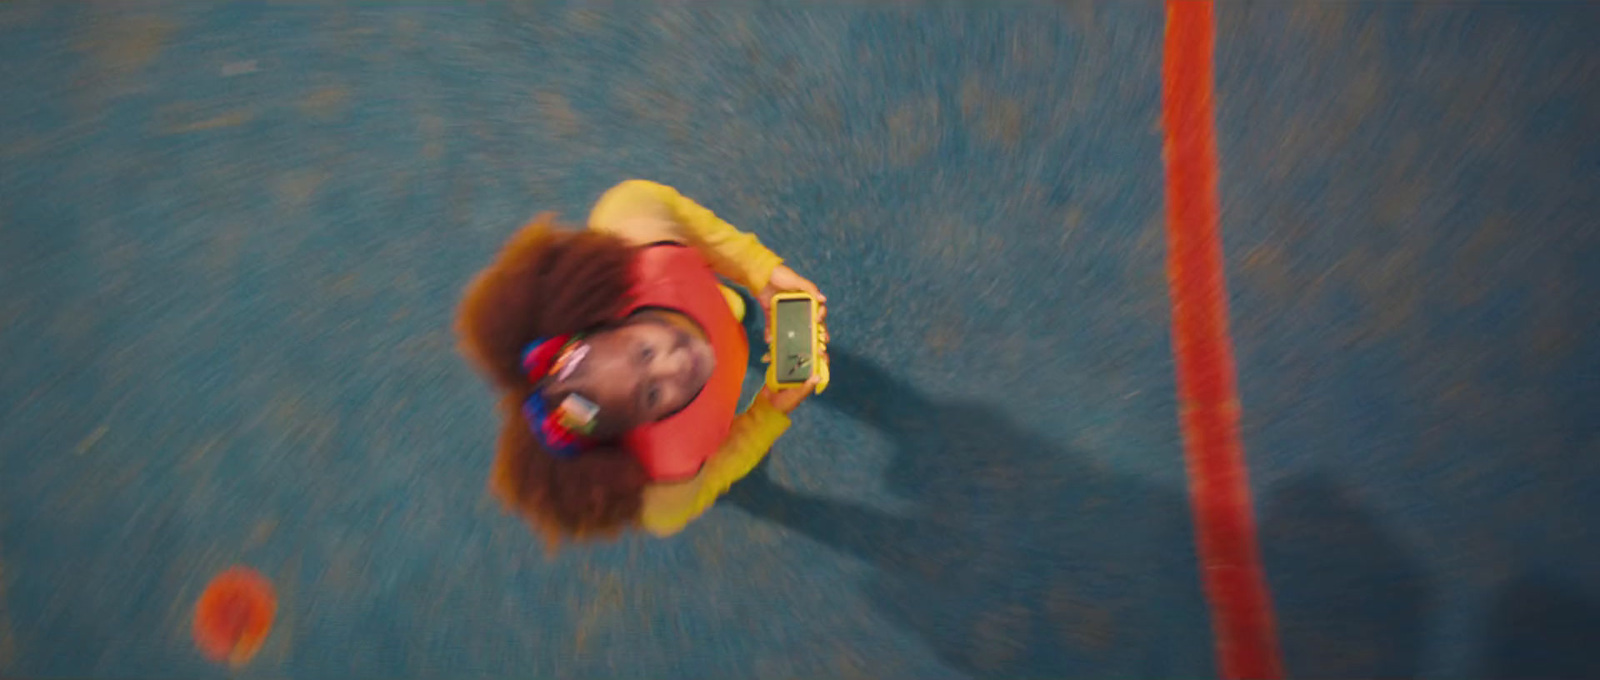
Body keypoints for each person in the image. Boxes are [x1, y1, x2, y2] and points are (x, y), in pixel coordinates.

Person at [455, 179, 828, 548]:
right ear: (634, 433)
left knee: (724, 311)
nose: (674, 364)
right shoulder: (669, 479)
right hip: (704, 361)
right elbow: (710, 480)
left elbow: (681, 218)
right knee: (721, 315)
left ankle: (724, 309)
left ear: (612, 317)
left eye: (644, 352)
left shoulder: (637, 233)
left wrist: (758, 271)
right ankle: (719, 311)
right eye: (651, 394)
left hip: (697, 299)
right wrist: (766, 414)